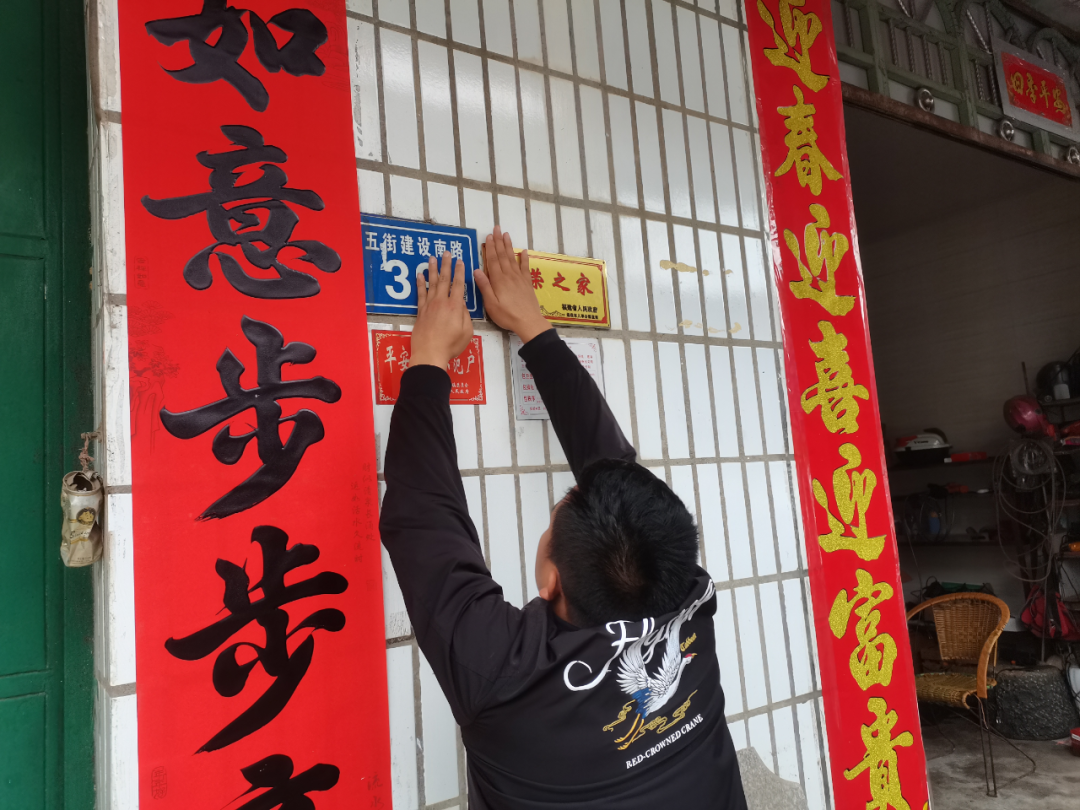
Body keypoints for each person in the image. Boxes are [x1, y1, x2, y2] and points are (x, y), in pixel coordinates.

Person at [379, 227, 748, 809]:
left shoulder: (503, 674)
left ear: (551, 579)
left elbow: (424, 519)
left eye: (554, 522)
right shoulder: (688, 602)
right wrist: (536, 330)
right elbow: (619, 481)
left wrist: (426, 360)